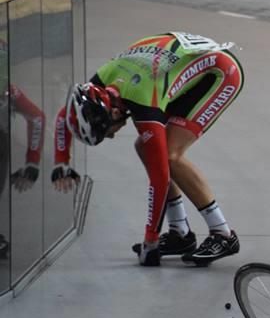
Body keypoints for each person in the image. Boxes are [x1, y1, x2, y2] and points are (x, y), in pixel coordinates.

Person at [53, 32, 244, 266]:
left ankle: (223, 234)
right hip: (169, 69)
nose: (112, 136)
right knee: (146, 148)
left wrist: (150, 241)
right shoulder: (99, 84)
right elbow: (66, 113)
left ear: (113, 113)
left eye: (107, 132)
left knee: (171, 156)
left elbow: (160, 178)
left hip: (220, 73)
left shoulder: (143, 101)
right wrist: (62, 162)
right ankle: (180, 233)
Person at [0, 83, 46, 257]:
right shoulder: (8, 89)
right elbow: (37, 118)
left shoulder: (8, 90)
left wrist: (32, 162)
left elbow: (37, 118)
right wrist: (32, 162)